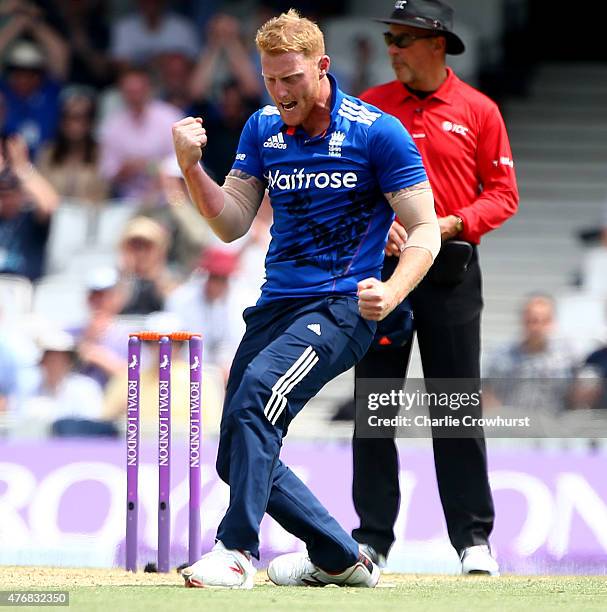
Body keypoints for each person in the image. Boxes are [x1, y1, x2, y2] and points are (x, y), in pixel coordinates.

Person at [172, 9, 440, 589]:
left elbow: (426, 229)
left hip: (341, 307)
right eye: (270, 79)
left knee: (255, 401)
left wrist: (392, 290)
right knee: (235, 453)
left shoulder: (375, 131)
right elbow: (232, 224)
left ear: (322, 66)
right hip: (275, 306)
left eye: (291, 78)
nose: (281, 91)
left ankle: (236, 551)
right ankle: (341, 557)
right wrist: (193, 171)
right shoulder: (262, 127)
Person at [350, 0, 519, 576]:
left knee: (454, 409)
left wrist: (445, 224)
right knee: (374, 408)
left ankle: (473, 540)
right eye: (391, 39)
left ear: (437, 43)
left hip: (449, 274)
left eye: (403, 38)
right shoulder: (369, 107)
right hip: (385, 275)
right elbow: (349, 186)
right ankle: (370, 539)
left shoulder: (479, 110)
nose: (392, 48)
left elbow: (503, 194)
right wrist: (380, 223)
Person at [484, 295, 579, 412]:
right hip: (513, 425)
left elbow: (577, 396)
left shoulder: (568, 358)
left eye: (543, 321)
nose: (536, 327)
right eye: (532, 321)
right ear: (523, 320)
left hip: (554, 426)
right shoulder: (502, 356)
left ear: (552, 322)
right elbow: (488, 393)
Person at [0, 135, 59, 280]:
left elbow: (52, 205)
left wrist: (22, 168)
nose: (5, 199)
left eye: (10, 193)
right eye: (1, 193)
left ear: (21, 193)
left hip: (26, 289)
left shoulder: (31, 218)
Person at [36, 90, 109, 204]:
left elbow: (103, 194)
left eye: (80, 117)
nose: (74, 123)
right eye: (68, 117)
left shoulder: (102, 154)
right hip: (52, 216)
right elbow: (40, 192)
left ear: (91, 122)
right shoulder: (48, 153)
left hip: (89, 217)